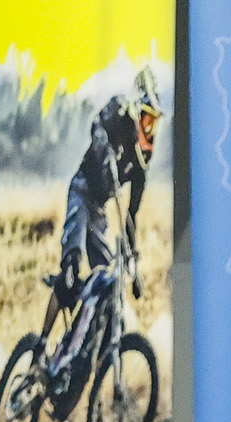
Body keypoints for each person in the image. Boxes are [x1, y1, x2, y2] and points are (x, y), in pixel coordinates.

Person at [59, 63, 160, 305]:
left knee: (105, 274)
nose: (150, 128)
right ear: (137, 113)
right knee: (74, 255)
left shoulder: (141, 164)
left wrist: (133, 266)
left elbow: (130, 217)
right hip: (82, 190)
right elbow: (97, 125)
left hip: (99, 208)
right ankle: (44, 339)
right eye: (147, 120)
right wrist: (107, 158)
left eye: (154, 123)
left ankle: (93, 330)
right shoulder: (119, 111)